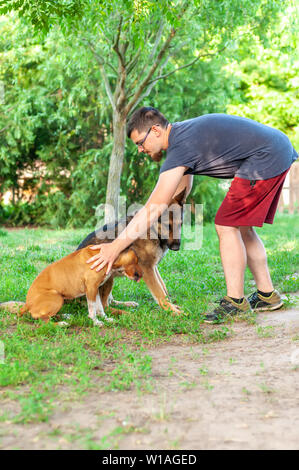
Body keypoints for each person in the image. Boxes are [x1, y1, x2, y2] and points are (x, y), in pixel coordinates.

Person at [87, 107, 298, 323]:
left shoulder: (180, 146)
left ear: (156, 130)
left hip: (266, 156)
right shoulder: (182, 138)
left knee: (226, 225)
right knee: (241, 226)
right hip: (274, 149)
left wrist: (114, 247)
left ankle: (236, 302)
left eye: (141, 142)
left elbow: (153, 208)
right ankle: (266, 295)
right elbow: (180, 191)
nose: (140, 149)